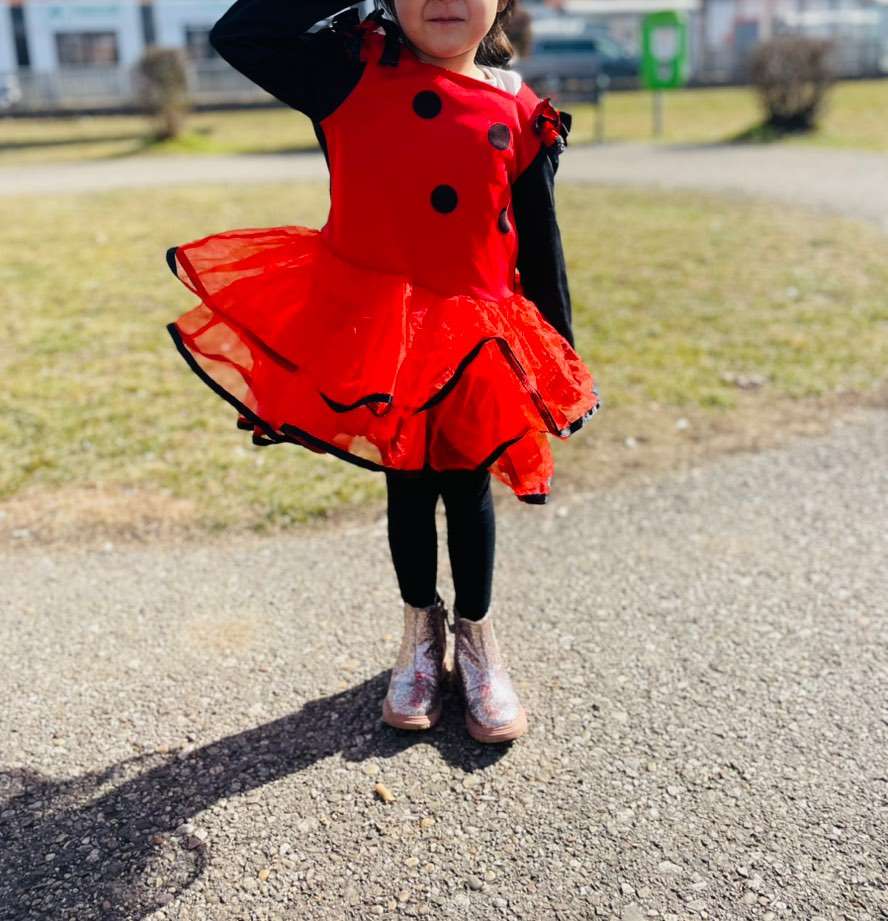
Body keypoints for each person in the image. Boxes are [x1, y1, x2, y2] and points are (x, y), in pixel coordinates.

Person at [163, 0, 601, 744]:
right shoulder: (349, 73)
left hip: (477, 337)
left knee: (466, 485)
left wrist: (559, 359)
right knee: (408, 483)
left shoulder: (522, 111)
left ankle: (478, 638)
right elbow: (242, 34)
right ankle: (419, 632)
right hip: (384, 331)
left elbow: (539, 243)